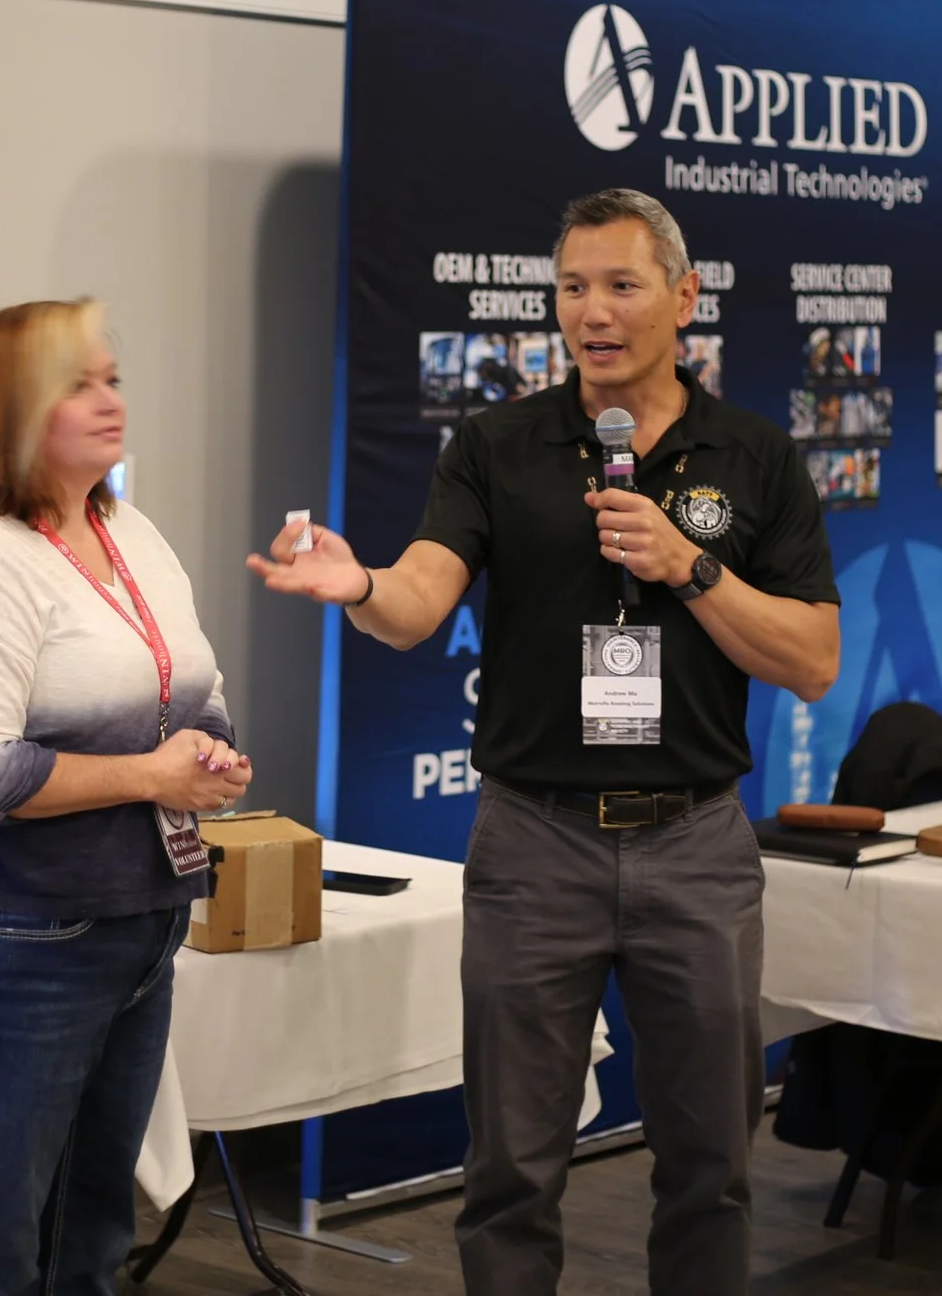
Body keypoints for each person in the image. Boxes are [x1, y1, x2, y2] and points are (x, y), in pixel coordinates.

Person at [249, 189, 840, 1295]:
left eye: (620, 285)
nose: (592, 312)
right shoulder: (498, 444)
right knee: (511, 1169)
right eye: (572, 287)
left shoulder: (753, 457)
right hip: (534, 846)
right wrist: (358, 583)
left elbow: (811, 657)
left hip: (697, 845)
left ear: (683, 296)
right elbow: (419, 599)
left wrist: (690, 566)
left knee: (710, 1164)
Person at [0, 299, 252, 1296]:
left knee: (92, 1236)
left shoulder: (125, 526)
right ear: (11, 407)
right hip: (8, 940)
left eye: (112, 376)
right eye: (78, 383)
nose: (110, 399)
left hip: (137, 926)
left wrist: (211, 758)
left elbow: (195, 689)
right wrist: (150, 774)